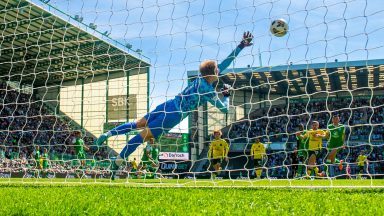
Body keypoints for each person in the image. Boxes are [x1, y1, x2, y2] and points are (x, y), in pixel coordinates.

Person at [95, 32, 254, 171]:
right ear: (214, 73)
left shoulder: (200, 78)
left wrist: (240, 46)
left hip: (168, 104)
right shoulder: (209, 92)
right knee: (142, 136)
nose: (220, 70)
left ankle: (107, 134)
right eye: (218, 70)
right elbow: (225, 110)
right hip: (174, 115)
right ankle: (117, 162)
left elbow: (225, 63)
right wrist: (226, 96)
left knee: (138, 124)